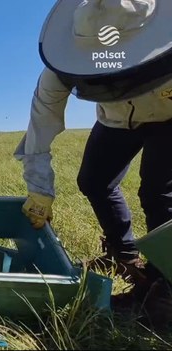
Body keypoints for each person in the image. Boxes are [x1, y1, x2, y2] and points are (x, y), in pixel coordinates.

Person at [14, 0, 172, 313]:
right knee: (93, 181)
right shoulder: (57, 73)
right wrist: (39, 190)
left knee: (158, 193)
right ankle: (123, 253)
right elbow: (40, 128)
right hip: (114, 121)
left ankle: (163, 287)